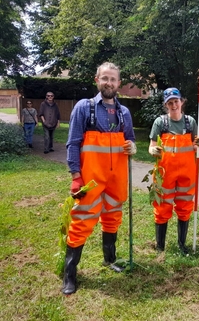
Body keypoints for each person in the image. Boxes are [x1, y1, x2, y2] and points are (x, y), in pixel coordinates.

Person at [62, 62, 137, 295]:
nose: (109, 83)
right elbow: (73, 143)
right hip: (91, 178)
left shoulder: (124, 113)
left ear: (119, 84)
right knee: (81, 221)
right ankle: (69, 275)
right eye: (105, 78)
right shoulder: (84, 108)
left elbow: (131, 140)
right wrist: (76, 176)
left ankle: (109, 259)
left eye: (113, 79)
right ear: (97, 80)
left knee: (113, 217)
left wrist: (132, 147)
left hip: (117, 178)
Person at [148, 87, 199, 254]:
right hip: (165, 174)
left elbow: (195, 145)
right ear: (166, 105)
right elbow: (151, 147)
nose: (173, 105)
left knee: (185, 207)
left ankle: (182, 244)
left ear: (181, 102)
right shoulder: (160, 123)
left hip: (187, 174)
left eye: (176, 101)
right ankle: (160, 247)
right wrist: (153, 151)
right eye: (170, 103)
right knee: (162, 207)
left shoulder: (190, 122)